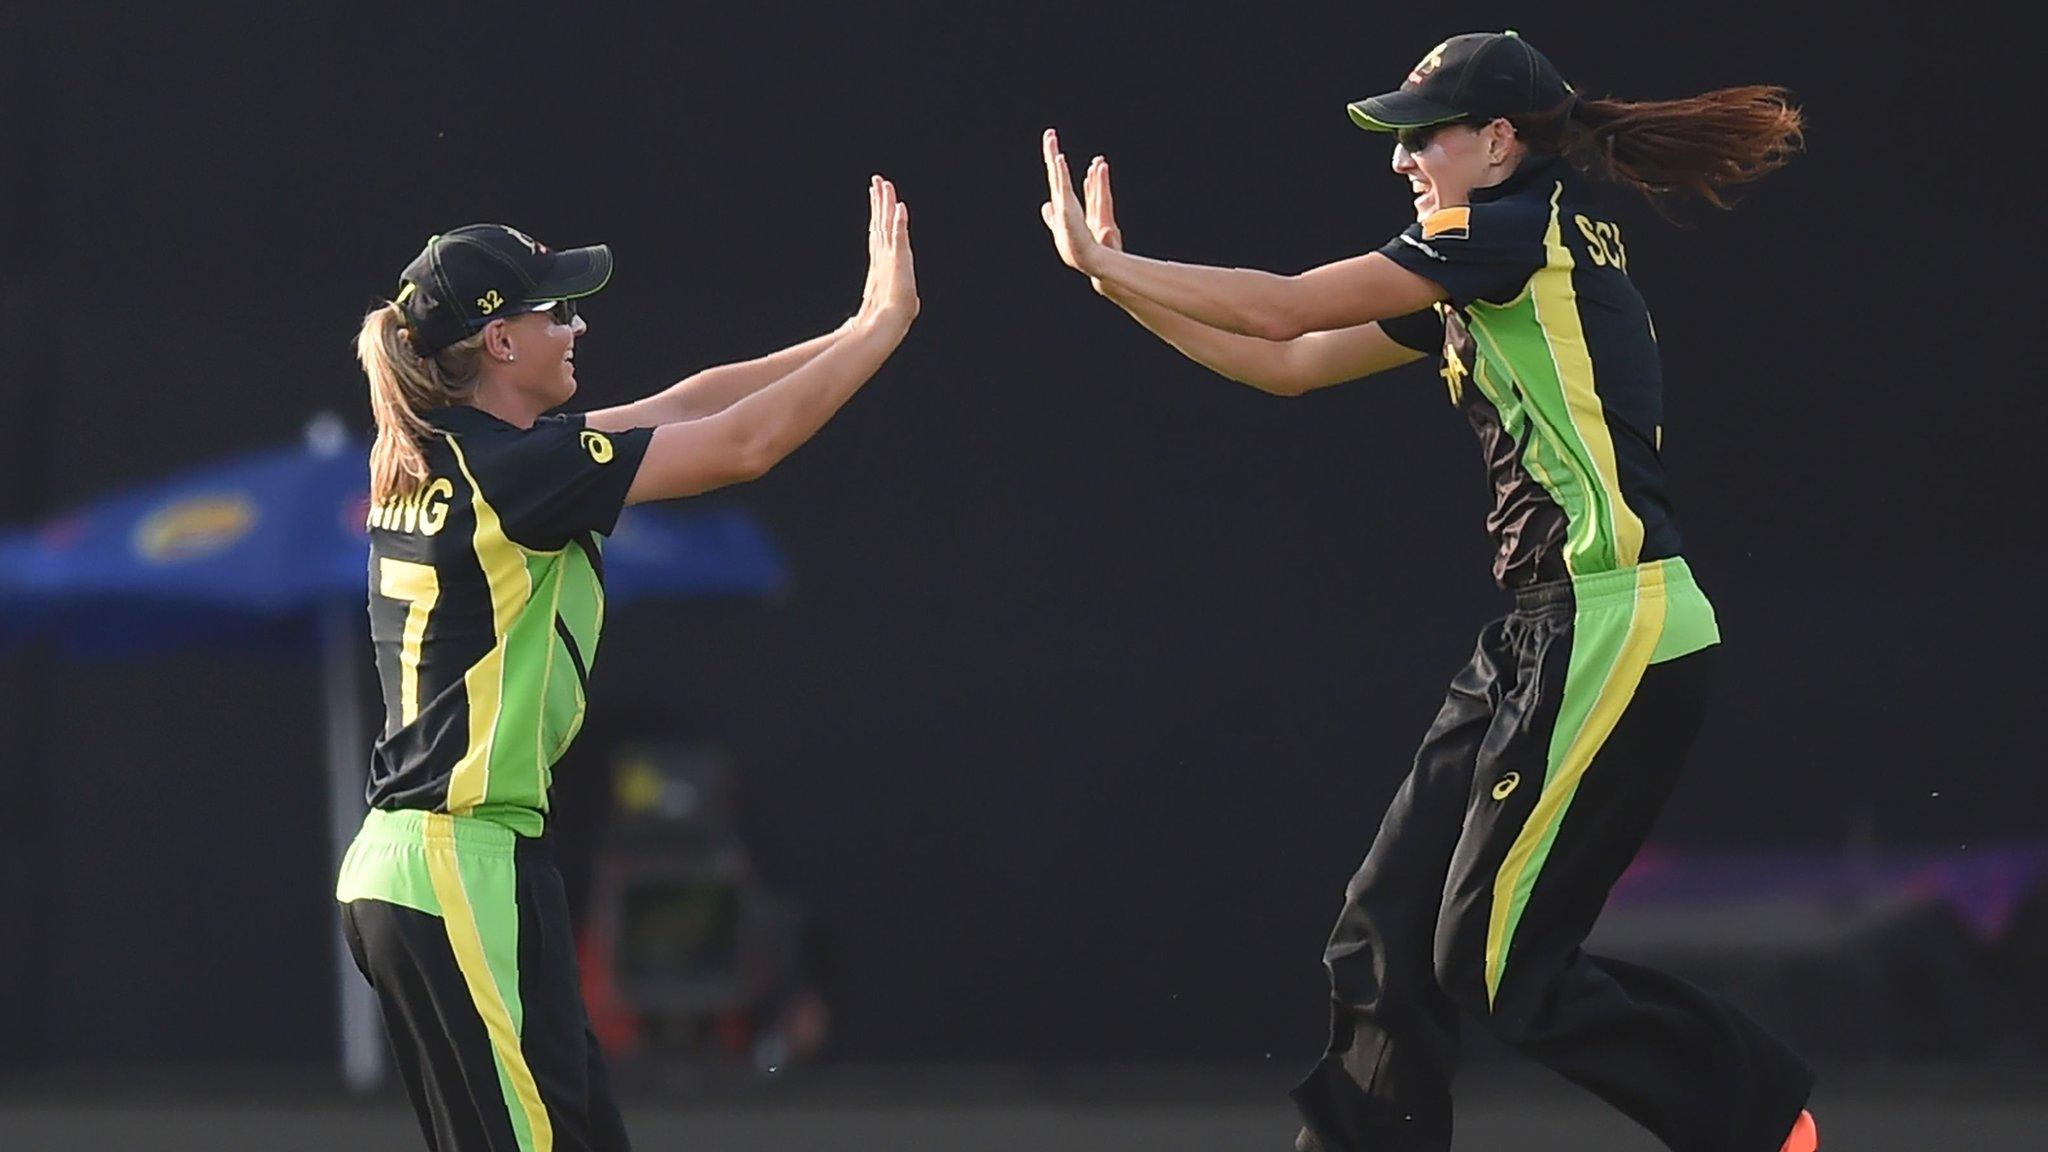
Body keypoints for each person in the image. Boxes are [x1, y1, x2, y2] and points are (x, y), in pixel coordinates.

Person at [1040, 29, 1816, 1152]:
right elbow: (1289, 365)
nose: (1403, 158)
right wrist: (1122, 294)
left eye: (1424, 136)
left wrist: (1110, 264)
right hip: (1540, 634)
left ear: (1498, 141)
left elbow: (1284, 308)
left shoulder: (1503, 231)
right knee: (1382, 931)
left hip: (1614, 619)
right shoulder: (1492, 248)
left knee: (1498, 968)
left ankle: (1760, 1124)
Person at [334, 176, 918, 1151]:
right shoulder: (520, 472)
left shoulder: (475, 454)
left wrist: (853, 324)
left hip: (451, 865)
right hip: (456, 864)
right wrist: (884, 331)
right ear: (499, 342)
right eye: (553, 310)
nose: (575, 327)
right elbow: (744, 442)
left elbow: (688, 401)